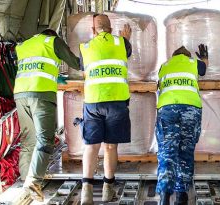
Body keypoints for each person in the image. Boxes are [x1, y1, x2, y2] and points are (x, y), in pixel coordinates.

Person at [14, 29, 80, 201]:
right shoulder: (53, 42)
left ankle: (25, 179)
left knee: (29, 139)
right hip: (41, 94)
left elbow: (35, 67)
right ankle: (34, 181)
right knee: (45, 139)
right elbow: (75, 62)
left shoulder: (25, 45)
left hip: (21, 94)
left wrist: (55, 77)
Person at [79, 14, 132, 204]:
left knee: (91, 147)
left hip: (93, 102)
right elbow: (126, 52)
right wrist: (126, 38)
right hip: (117, 102)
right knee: (110, 146)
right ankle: (108, 189)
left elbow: (83, 69)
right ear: (111, 28)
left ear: (93, 30)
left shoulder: (85, 47)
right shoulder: (122, 43)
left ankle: (86, 192)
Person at [156, 45, 208, 205]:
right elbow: (204, 69)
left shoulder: (164, 66)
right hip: (190, 109)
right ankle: (181, 195)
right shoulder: (193, 63)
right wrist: (204, 58)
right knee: (185, 152)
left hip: (167, 109)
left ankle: (165, 195)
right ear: (188, 56)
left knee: (167, 152)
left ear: (173, 56)